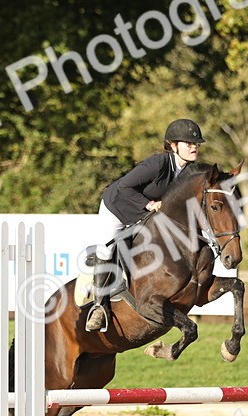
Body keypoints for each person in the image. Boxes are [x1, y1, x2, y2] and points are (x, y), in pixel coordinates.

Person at [84, 118, 205, 332]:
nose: (194, 147)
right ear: (173, 145)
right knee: (106, 249)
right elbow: (123, 187)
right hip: (118, 208)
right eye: (189, 144)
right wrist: (148, 204)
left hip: (143, 214)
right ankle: (98, 307)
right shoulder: (157, 163)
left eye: (196, 144)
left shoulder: (187, 171)